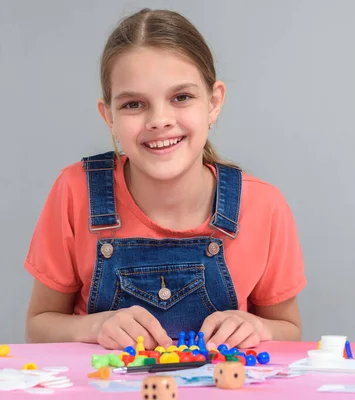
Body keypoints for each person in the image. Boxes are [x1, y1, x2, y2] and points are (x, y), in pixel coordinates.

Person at [23, 8, 306, 351]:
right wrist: (96, 326)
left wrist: (258, 327)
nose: (160, 120)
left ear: (214, 102)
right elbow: (38, 327)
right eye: (133, 104)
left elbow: (289, 329)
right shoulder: (74, 191)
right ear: (108, 115)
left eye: (181, 97)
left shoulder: (263, 206)